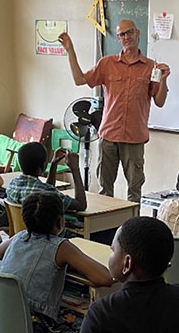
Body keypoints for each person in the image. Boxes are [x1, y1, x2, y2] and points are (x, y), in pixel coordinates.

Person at [0, 192, 114, 333]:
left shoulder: (19, 237)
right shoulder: (60, 246)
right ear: (60, 220)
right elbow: (104, 278)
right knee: (97, 329)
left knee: (58, 315)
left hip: (0, 332)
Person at [59, 21, 170, 202]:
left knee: (134, 191)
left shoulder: (151, 67)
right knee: (104, 190)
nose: (127, 37)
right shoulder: (107, 63)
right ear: (118, 38)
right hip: (109, 136)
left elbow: (160, 101)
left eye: (130, 32)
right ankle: (106, 229)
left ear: (138, 33)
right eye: (122, 34)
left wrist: (164, 80)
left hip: (134, 139)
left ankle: (132, 229)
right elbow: (79, 79)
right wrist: (70, 50)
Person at [6, 142, 87, 213]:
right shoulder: (45, 193)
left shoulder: (12, 185)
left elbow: (47, 190)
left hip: (22, 230)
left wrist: (53, 164)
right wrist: (75, 169)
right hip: (42, 230)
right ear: (43, 165)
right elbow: (81, 205)